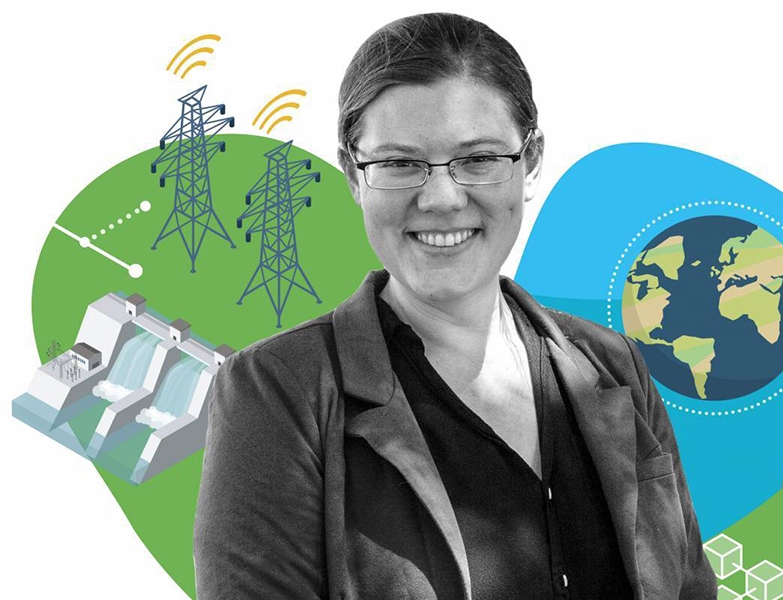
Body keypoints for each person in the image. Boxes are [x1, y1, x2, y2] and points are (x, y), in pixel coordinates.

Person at [194, 12, 717, 600]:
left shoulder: (613, 366)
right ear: (352, 174)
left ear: (532, 162)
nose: (441, 197)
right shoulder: (278, 390)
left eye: (478, 159)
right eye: (398, 163)